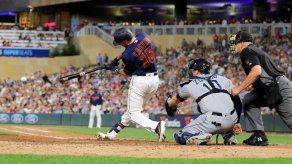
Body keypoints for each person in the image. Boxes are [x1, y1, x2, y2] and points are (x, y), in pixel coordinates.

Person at [97, 27, 166, 142]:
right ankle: (113, 133)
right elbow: (129, 49)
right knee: (132, 110)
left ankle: (156, 126)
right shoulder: (142, 36)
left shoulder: (128, 56)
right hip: (154, 80)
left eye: (120, 43)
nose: (120, 45)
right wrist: (116, 59)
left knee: (133, 114)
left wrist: (112, 68)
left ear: (124, 41)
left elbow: (125, 72)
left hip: (140, 82)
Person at [229, 31, 292, 146]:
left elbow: (257, 71)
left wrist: (239, 88)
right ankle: (259, 135)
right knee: (249, 100)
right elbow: (264, 72)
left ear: (242, 43)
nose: (234, 45)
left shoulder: (246, 50)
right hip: (270, 87)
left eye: (236, 43)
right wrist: (257, 85)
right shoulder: (253, 50)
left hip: (279, 87)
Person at [165, 58, 241, 145]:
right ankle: (228, 134)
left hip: (214, 121)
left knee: (180, 135)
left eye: (192, 70)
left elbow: (173, 102)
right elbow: (237, 101)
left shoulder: (190, 84)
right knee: (204, 105)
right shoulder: (223, 79)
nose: (191, 72)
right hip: (233, 120)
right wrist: (237, 121)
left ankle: (201, 135)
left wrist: (168, 103)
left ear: (197, 72)